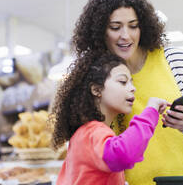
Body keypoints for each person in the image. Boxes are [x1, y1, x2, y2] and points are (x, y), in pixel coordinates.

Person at [72, 0, 183, 184]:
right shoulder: (95, 79)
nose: (126, 35)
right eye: (115, 27)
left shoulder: (177, 61)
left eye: (133, 26)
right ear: (100, 30)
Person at [51, 52, 168, 185]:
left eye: (131, 83)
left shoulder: (83, 134)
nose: (133, 88)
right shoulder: (93, 132)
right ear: (96, 90)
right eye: (123, 82)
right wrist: (150, 112)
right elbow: (123, 155)